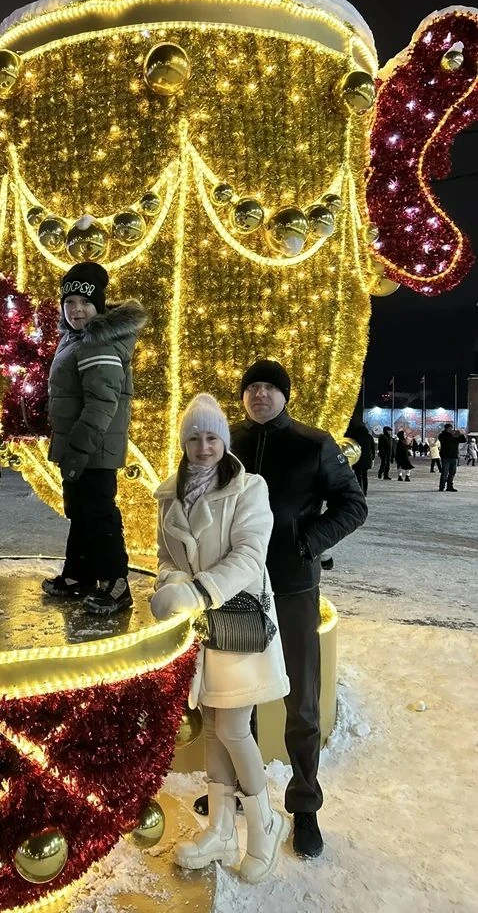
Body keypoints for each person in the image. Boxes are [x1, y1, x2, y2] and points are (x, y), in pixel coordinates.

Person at [194, 360, 368, 859]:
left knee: (302, 702)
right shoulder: (228, 443)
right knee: (236, 695)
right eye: (252, 387)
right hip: (238, 588)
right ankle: (236, 791)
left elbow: (353, 505)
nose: (260, 395)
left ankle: (305, 805)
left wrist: (307, 543)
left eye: (270, 387)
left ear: (284, 396)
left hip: (292, 588)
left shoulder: (314, 445)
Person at [151, 394, 289, 883]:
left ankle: (264, 823)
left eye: (212, 437)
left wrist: (198, 591)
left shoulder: (249, 488)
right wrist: (170, 585)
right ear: (184, 442)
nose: (204, 447)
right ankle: (221, 829)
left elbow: (250, 556)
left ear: (224, 441)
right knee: (213, 727)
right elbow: (166, 557)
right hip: (202, 630)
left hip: (237, 621)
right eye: (195, 438)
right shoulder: (168, 495)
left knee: (232, 728)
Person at [41, 261, 147, 615]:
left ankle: (117, 585)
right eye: (69, 303)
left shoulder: (97, 342)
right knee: (81, 512)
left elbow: (102, 402)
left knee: (99, 515)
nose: (77, 310)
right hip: (80, 444)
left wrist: (78, 449)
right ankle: (79, 575)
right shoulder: (75, 338)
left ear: (98, 305)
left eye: (85, 303)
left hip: (93, 448)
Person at [346, 417, 376, 496]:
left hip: (358, 458)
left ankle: (359, 491)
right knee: (365, 475)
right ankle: (365, 491)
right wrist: (372, 458)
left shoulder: (355, 437)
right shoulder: (369, 437)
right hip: (366, 459)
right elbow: (372, 449)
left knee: (358, 475)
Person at [438, 423, 467, 492]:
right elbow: (445, 440)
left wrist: (460, 434)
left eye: (451, 428)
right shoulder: (442, 435)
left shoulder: (455, 435)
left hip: (454, 456)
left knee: (452, 472)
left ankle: (449, 486)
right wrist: (452, 435)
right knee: (445, 472)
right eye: (449, 428)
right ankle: (441, 487)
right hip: (445, 457)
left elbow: (463, 440)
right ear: (446, 429)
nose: (451, 429)